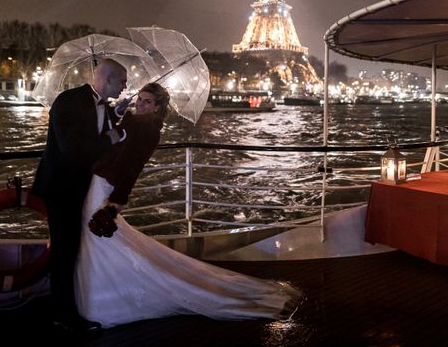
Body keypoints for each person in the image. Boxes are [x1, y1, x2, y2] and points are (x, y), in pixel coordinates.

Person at [75, 83, 302, 329]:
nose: (140, 104)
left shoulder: (143, 127)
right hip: (102, 184)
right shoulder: (142, 124)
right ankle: (103, 292)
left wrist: (115, 204)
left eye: (147, 101)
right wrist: (119, 114)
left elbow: (130, 167)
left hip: (105, 187)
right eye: (139, 99)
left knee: (98, 240)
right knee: (100, 241)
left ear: (159, 107)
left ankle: (102, 295)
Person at [32, 58, 128, 333]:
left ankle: (68, 308)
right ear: (107, 79)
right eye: (122, 81)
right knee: (65, 250)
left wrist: (116, 115)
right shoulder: (67, 101)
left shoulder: (105, 107)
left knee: (72, 248)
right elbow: (72, 148)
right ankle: (63, 315)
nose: (125, 86)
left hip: (83, 188)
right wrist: (109, 138)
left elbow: (99, 133)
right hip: (61, 188)